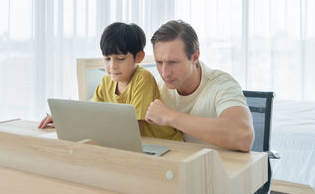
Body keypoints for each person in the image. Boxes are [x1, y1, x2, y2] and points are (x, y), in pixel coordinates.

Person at [39, 22, 182, 141]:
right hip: (138, 145)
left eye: (120, 59)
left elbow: (133, 129)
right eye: (107, 59)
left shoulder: (142, 79)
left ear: (138, 57)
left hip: (167, 145)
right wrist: (64, 119)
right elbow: (90, 114)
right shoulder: (107, 82)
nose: (112, 66)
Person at [145, 20, 254, 151]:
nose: (165, 73)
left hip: (220, 168)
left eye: (173, 62)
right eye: (159, 62)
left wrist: (169, 117)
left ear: (195, 57)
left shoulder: (222, 85)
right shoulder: (158, 85)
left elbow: (243, 136)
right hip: (179, 166)